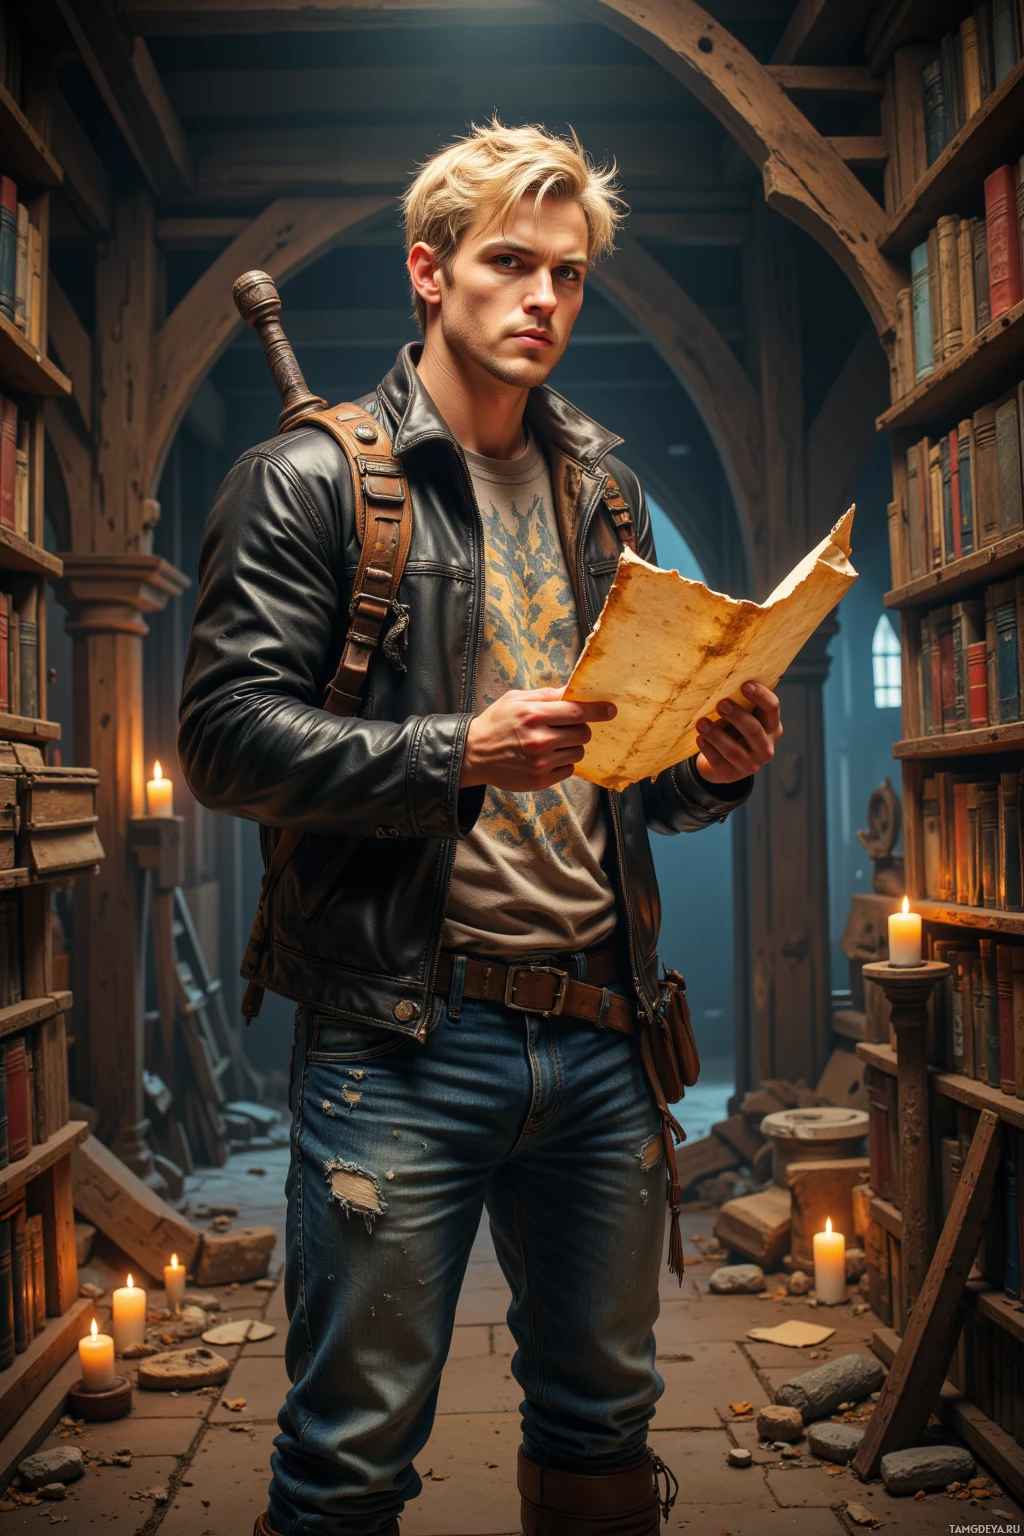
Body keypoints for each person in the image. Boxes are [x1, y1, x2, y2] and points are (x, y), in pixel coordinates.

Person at [179, 121, 783, 1536]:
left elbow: (627, 784)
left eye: (568, 275)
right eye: (510, 263)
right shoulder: (312, 484)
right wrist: (461, 751)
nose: (544, 300)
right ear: (427, 272)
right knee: (346, 1460)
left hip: (602, 1030)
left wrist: (720, 764)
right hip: (400, 1040)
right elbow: (223, 739)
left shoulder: (605, 495)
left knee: (604, 1430)